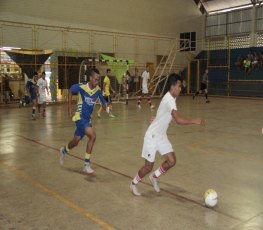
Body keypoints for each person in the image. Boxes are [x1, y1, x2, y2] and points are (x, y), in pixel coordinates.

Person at [130, 74, 205, 196]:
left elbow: (162, 112)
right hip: (152, 136)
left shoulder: (171, 98)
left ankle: (154, 177)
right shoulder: (170, 99)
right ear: (173, 86)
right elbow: (178, 120)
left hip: (161, 135)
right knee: (148, 166)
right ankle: (133, 184)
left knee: (171, 161)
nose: (181, 89)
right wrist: (194, 121)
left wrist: (157, 118)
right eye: (179, 86)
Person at [60, 68, 109, 174]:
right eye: (95, 79)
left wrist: (107, 108)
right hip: (80, 117)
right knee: (93, 136)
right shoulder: (82, 87)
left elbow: (103, 102)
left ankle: (64, 150)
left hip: (87, 119)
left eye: (98, 79)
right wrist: (69, 107)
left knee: (75, 142)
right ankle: (86, 164)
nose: (97, 81)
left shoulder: (98, 90)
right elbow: (70, 90)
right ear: (90, 78)